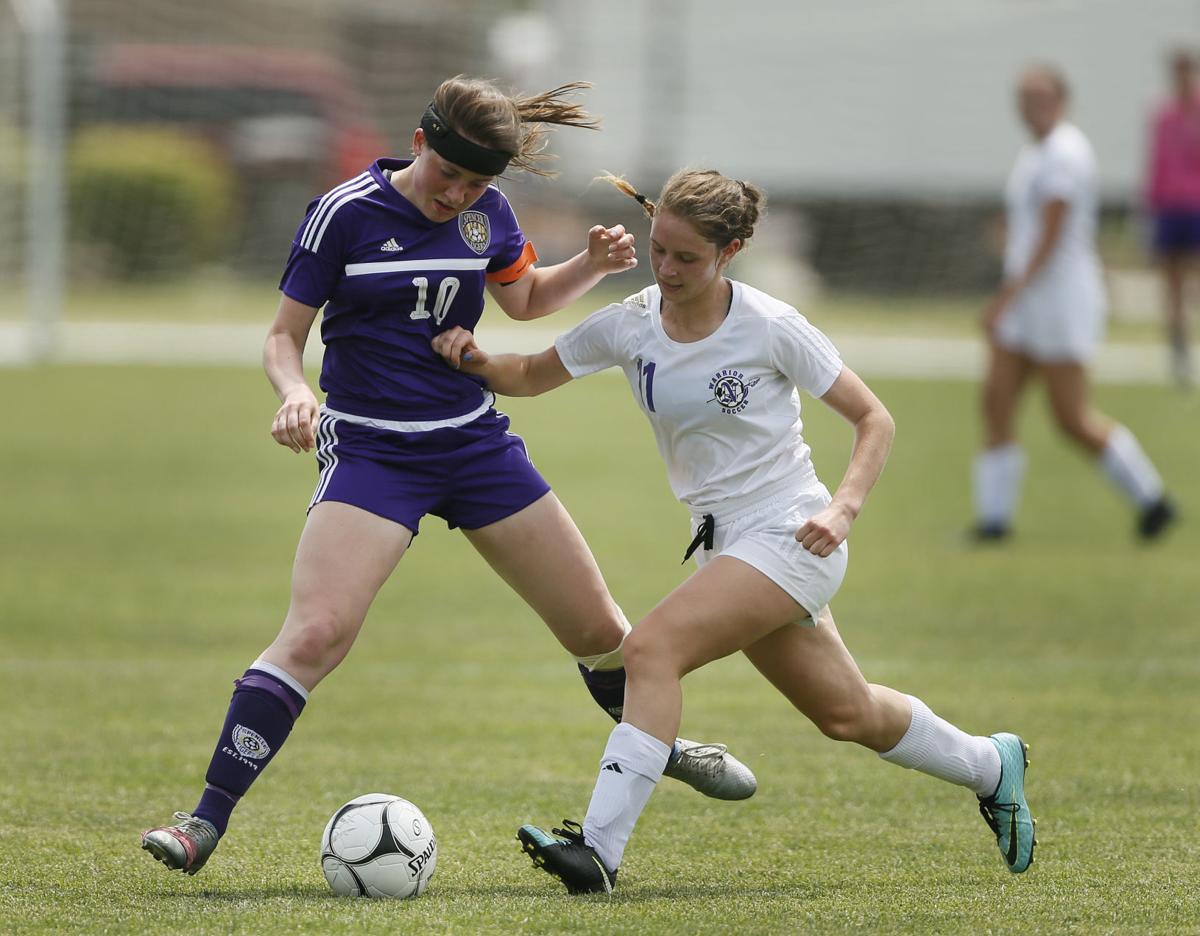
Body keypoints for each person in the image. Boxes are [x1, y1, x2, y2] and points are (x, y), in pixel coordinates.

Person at [139, 77, 756, 878]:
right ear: (420, 141)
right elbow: (284, 338)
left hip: (474, 447)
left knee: (603, 635)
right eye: (450, 177)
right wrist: (296, 394)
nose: (459, 196)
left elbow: (525, 299)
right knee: (317, 633)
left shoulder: (485, 214)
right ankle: (203, 820)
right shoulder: (344, 212)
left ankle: (660, 743)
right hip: (373, 454)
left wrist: (590, 266)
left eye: (477, 185)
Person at [431, 168, 1038, 894]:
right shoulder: (633, 322)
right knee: (847, 714)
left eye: (687, 257)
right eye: (661, 251)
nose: (667, 269)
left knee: (650, 649)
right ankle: (992, 764)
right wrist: (468, 357)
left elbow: (874, 419)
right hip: (728, 547)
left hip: (792, 533)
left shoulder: (771, 326)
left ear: (732, 251)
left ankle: (596, 852)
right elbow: (529, 372)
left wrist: (842, 508)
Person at [974, 65, 1176, 542]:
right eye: (1023, 96)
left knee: (1071, 418)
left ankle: (1153, 500)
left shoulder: (1066, 151)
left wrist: (1007, 295)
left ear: (1062, 101)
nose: (1030, 106)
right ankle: (993, 522)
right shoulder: (1035, 152)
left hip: (1059, 300)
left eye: (1040, 97)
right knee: (996, 402)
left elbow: (1052, 232)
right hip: (1027, 298)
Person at [1144, 48, 1200, 386]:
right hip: (1169, 207)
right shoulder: (1162, 113)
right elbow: (1155, 161)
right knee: (1172, 285)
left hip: (1196, 206)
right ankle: (1178, 351)